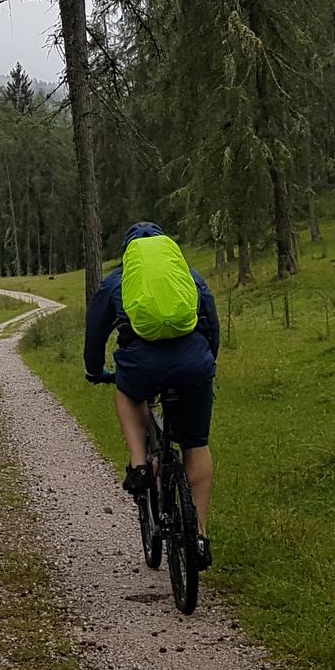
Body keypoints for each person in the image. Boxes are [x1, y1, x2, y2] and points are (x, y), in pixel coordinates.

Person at [83, 221, 218, 567]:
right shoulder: (188, 276)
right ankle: (199, 536)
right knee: (196, 445)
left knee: (127, 393)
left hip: (141, 367)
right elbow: (211, 322)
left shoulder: (117, 280)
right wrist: (207, 361)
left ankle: (140, 464)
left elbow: (96, 334)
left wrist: (95, 370)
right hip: (194, 365)